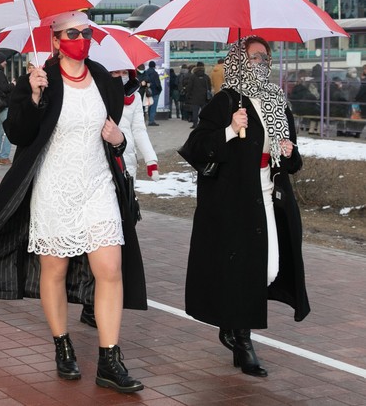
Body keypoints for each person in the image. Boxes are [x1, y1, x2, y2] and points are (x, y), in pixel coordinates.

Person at [0, 12, 147, 394]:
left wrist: (118, 141)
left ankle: (110, 359)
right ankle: (62, 344)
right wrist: (31, 95)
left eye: (86, 31)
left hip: (98, 185)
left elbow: (116, 131)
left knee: (110, 269)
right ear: (56, 39)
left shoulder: (102, 79)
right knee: (55, 270)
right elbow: (18, 133)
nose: (81, 37)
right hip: (54, 187)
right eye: (73, 32)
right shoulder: (39, 79)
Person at [181, 36, 309, 378]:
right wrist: (229, 129)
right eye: (254, 57)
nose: (262, 63)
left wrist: (289, 150)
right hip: (232, 200)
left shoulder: (276, 101)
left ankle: (233, 327)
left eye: (266, 57)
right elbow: (196, 147)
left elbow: (293, 162)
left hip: (267, 193)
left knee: (268, 269)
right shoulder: (225, 102)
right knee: (246, 269)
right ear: (239, 60)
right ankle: (242, 339)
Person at [79, 68, 158, 329]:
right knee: (101, 239)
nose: (119, 73)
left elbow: (139, 130)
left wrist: (152, 159)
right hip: (103, 171)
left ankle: (104, 297)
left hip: (127, 171)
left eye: (124, 69)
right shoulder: (96, 93)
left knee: (121, 236)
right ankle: (91, 302)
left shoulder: (133, 97)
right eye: (114, 69)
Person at [185, 62, 212, 128]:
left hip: (194, 97)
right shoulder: (206, 76)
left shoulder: (193, 76)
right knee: (204, 112)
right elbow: (209, 87)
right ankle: (204, 124)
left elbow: (189, 87)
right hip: (204, 97)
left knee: (195, 112)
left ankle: (195, 124)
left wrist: (188, 95)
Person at [140, 61, 161, 126]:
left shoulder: (146, 72)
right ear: (154, 66)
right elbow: (157, 84)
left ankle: (148, 119)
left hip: (147, 92)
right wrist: (159, 90)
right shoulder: (154, 73)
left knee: (149, 106)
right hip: (154, 92)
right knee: (153, 107)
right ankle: (151, 121)